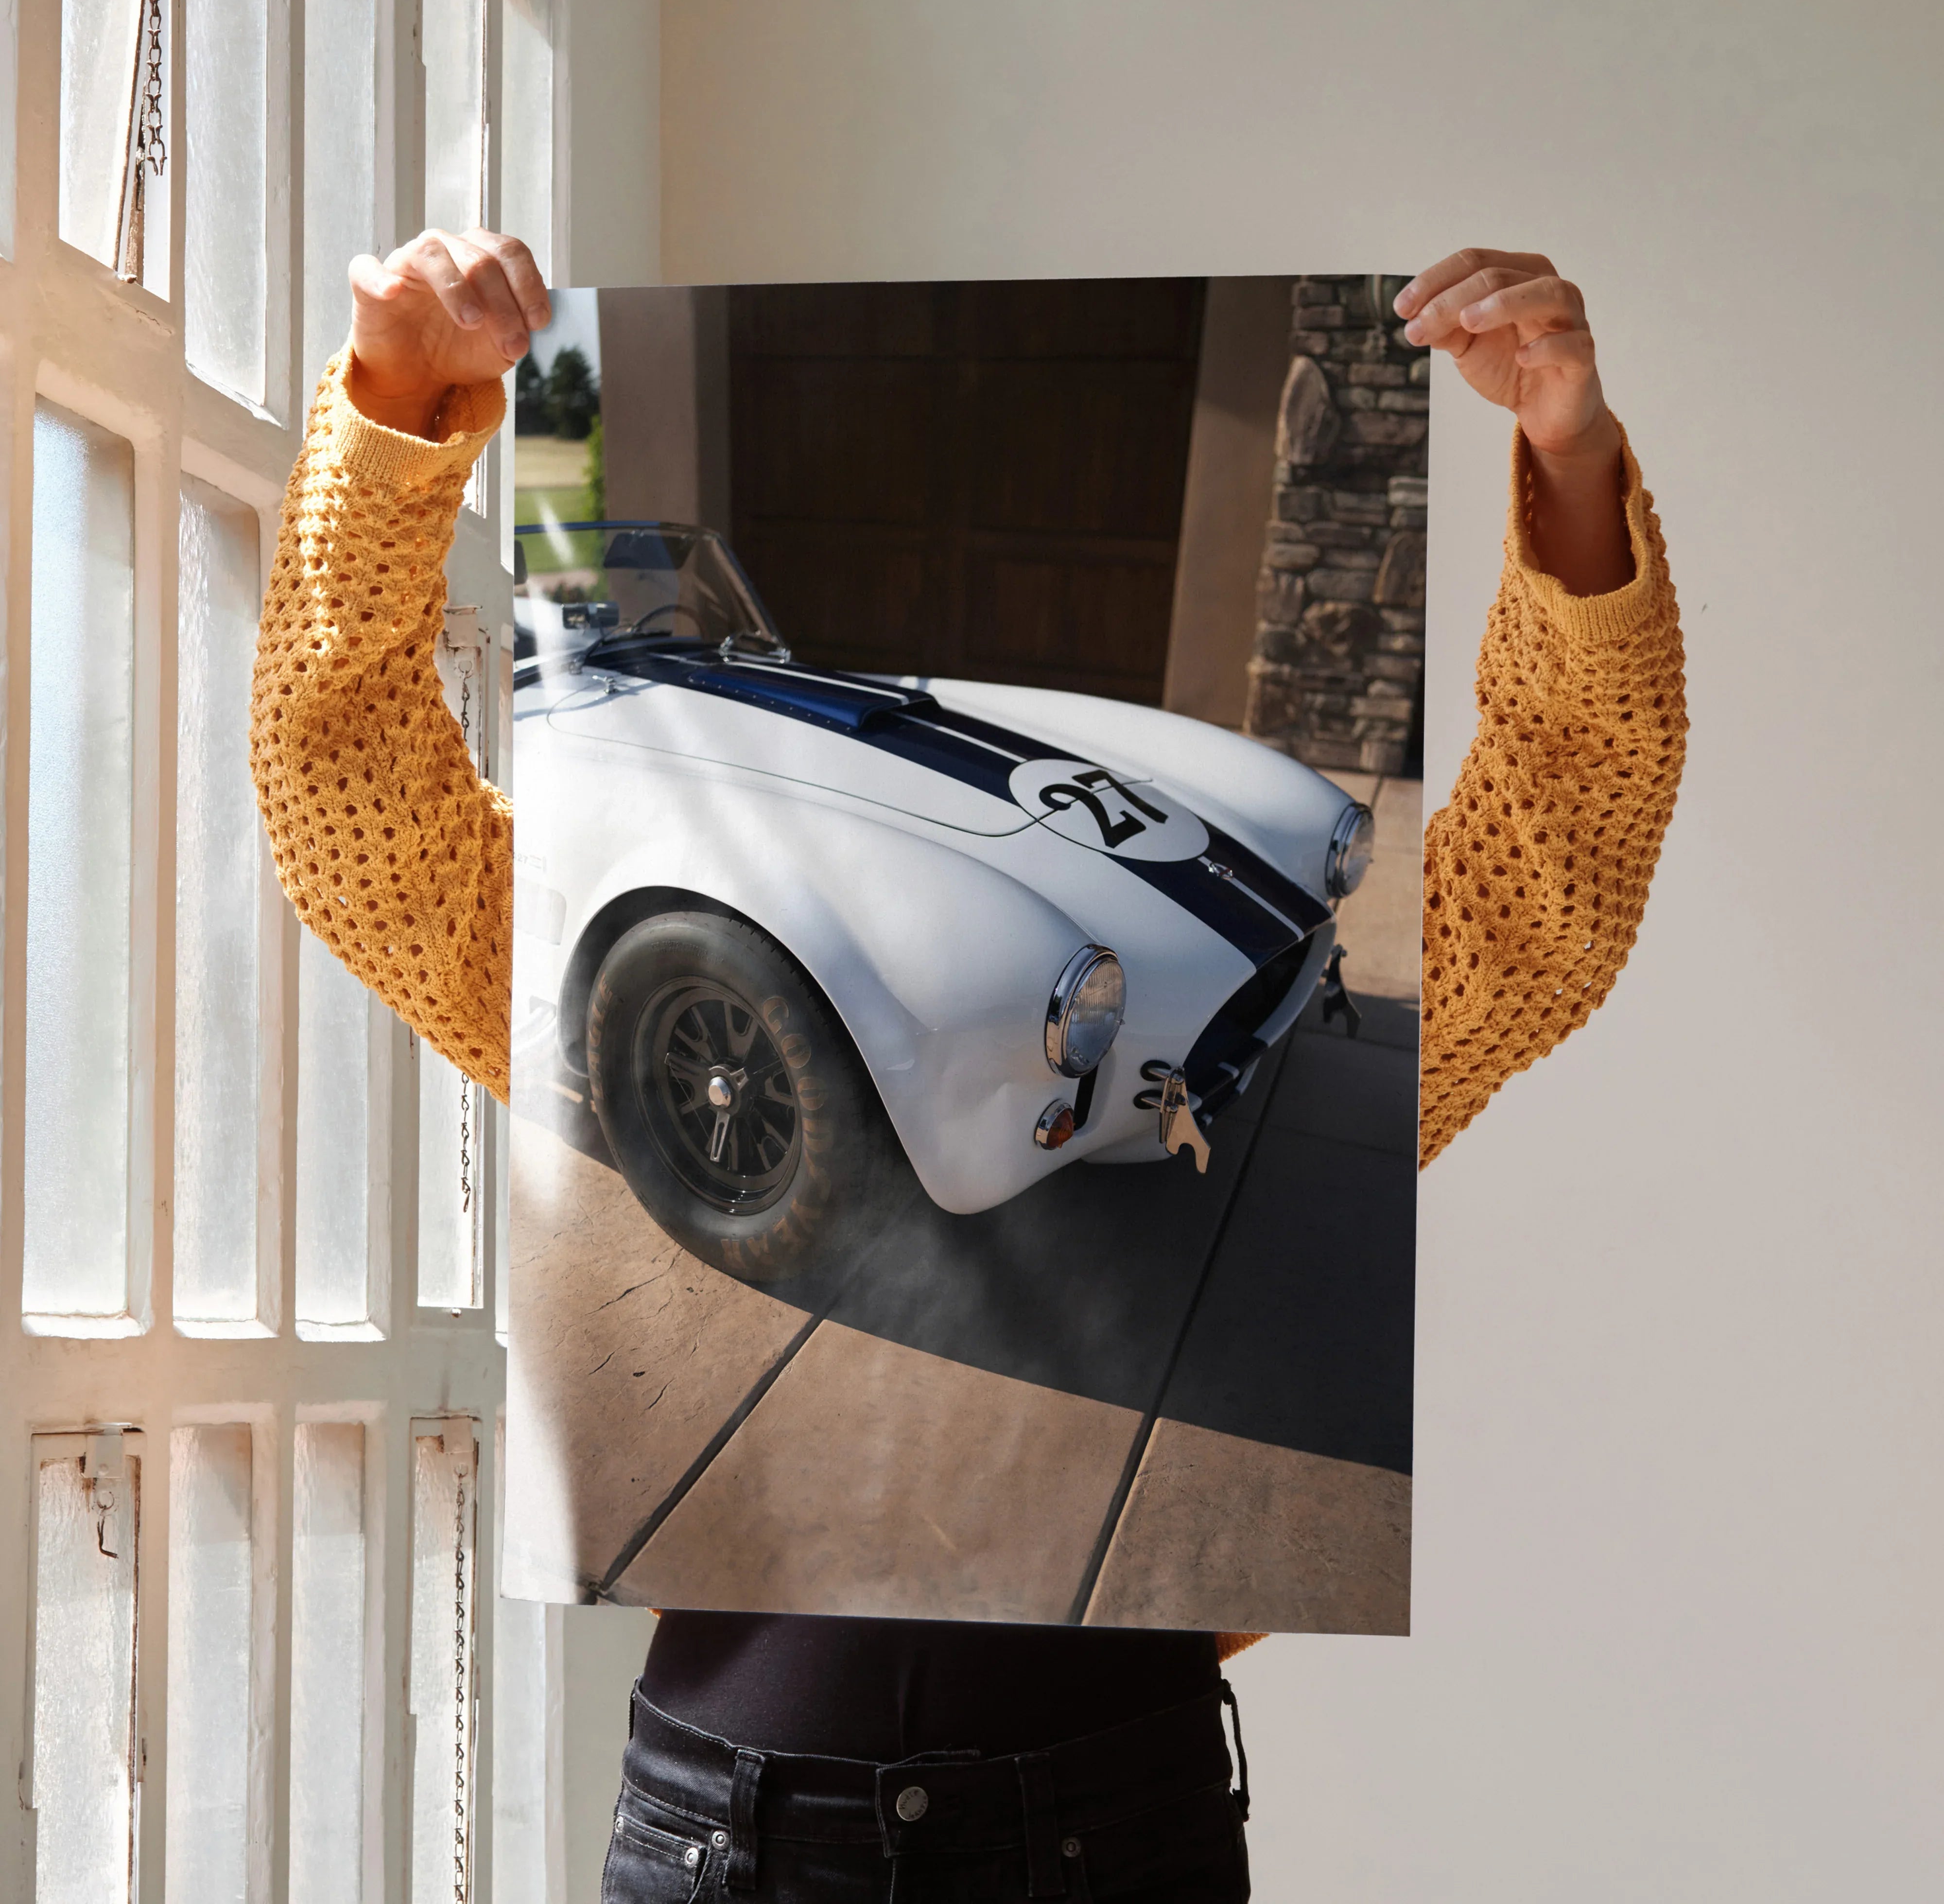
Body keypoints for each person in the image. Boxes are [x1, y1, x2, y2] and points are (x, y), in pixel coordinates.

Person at [251, 231, 1685, 1900]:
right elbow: (350, 810)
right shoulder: (597, 843)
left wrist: (1570, 467)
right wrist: (395, 407)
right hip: (737, 1834)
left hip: (1111, 1815)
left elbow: (1538, 910)